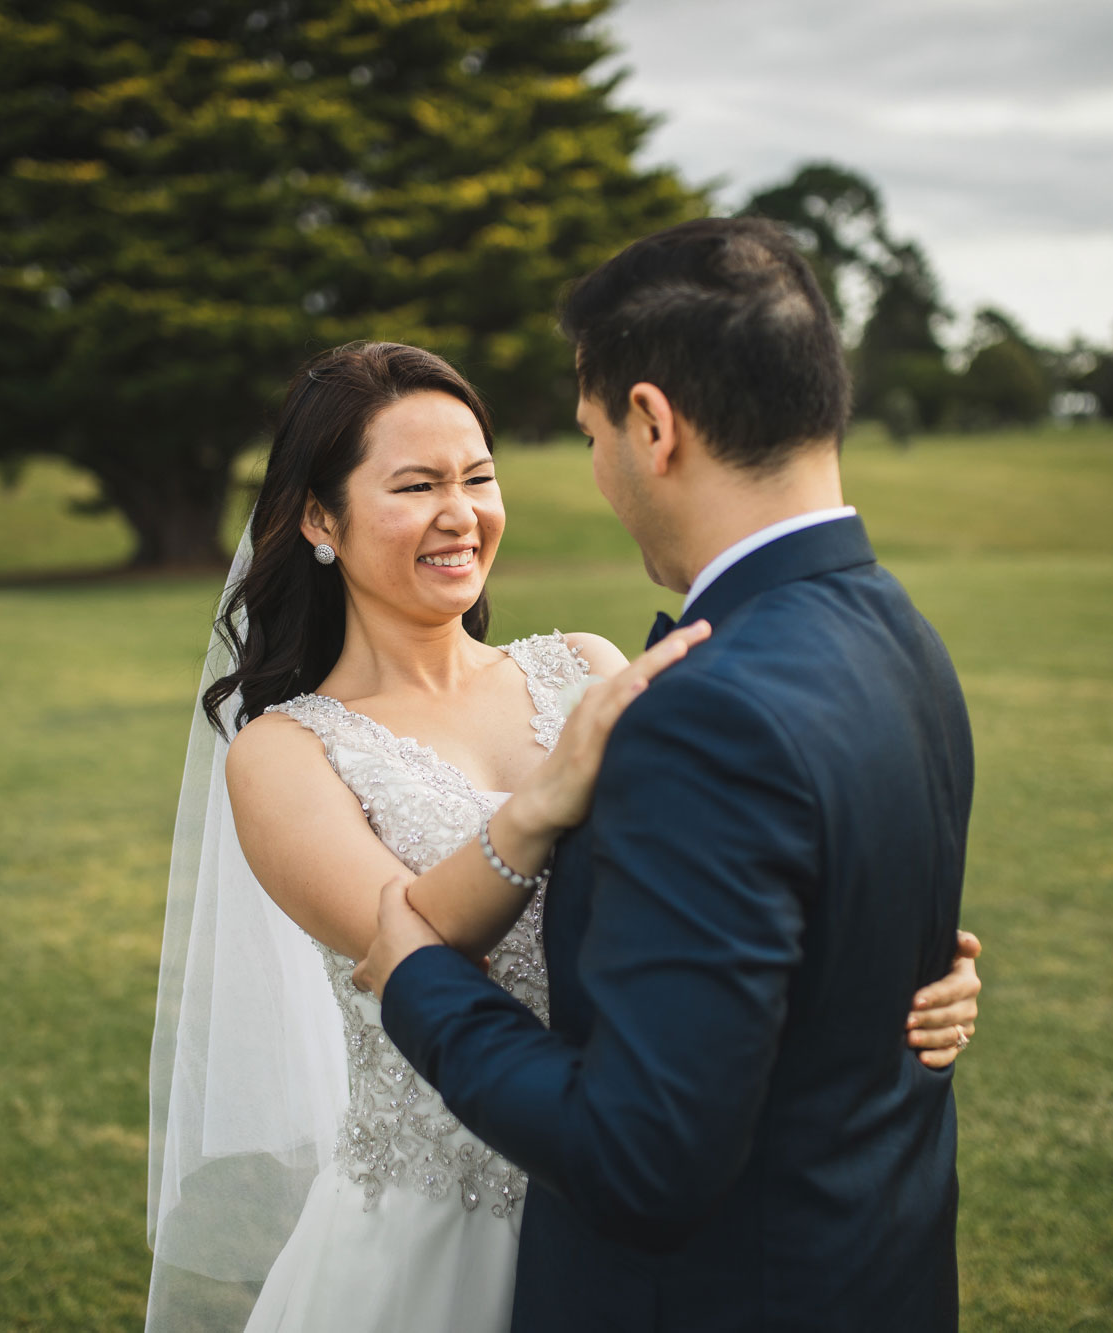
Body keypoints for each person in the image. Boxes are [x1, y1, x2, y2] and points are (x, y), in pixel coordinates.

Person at [145, 331, 981, 1332]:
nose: (460, 515)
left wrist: (896, 978)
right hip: (428, 1242)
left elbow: (730, 881)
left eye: (477, 477)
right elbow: (401, 945)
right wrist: (540, 806)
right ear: (319, 516)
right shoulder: (283, 754)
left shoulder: (581, 667)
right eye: (414, 485)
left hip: (614, 1203)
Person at [354, 217, 976, 1331]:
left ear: (651, 423)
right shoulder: (901, 635)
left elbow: (643, 1161)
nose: (595, 468)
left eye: (590, 432)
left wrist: (419, 977)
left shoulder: (703, 714)